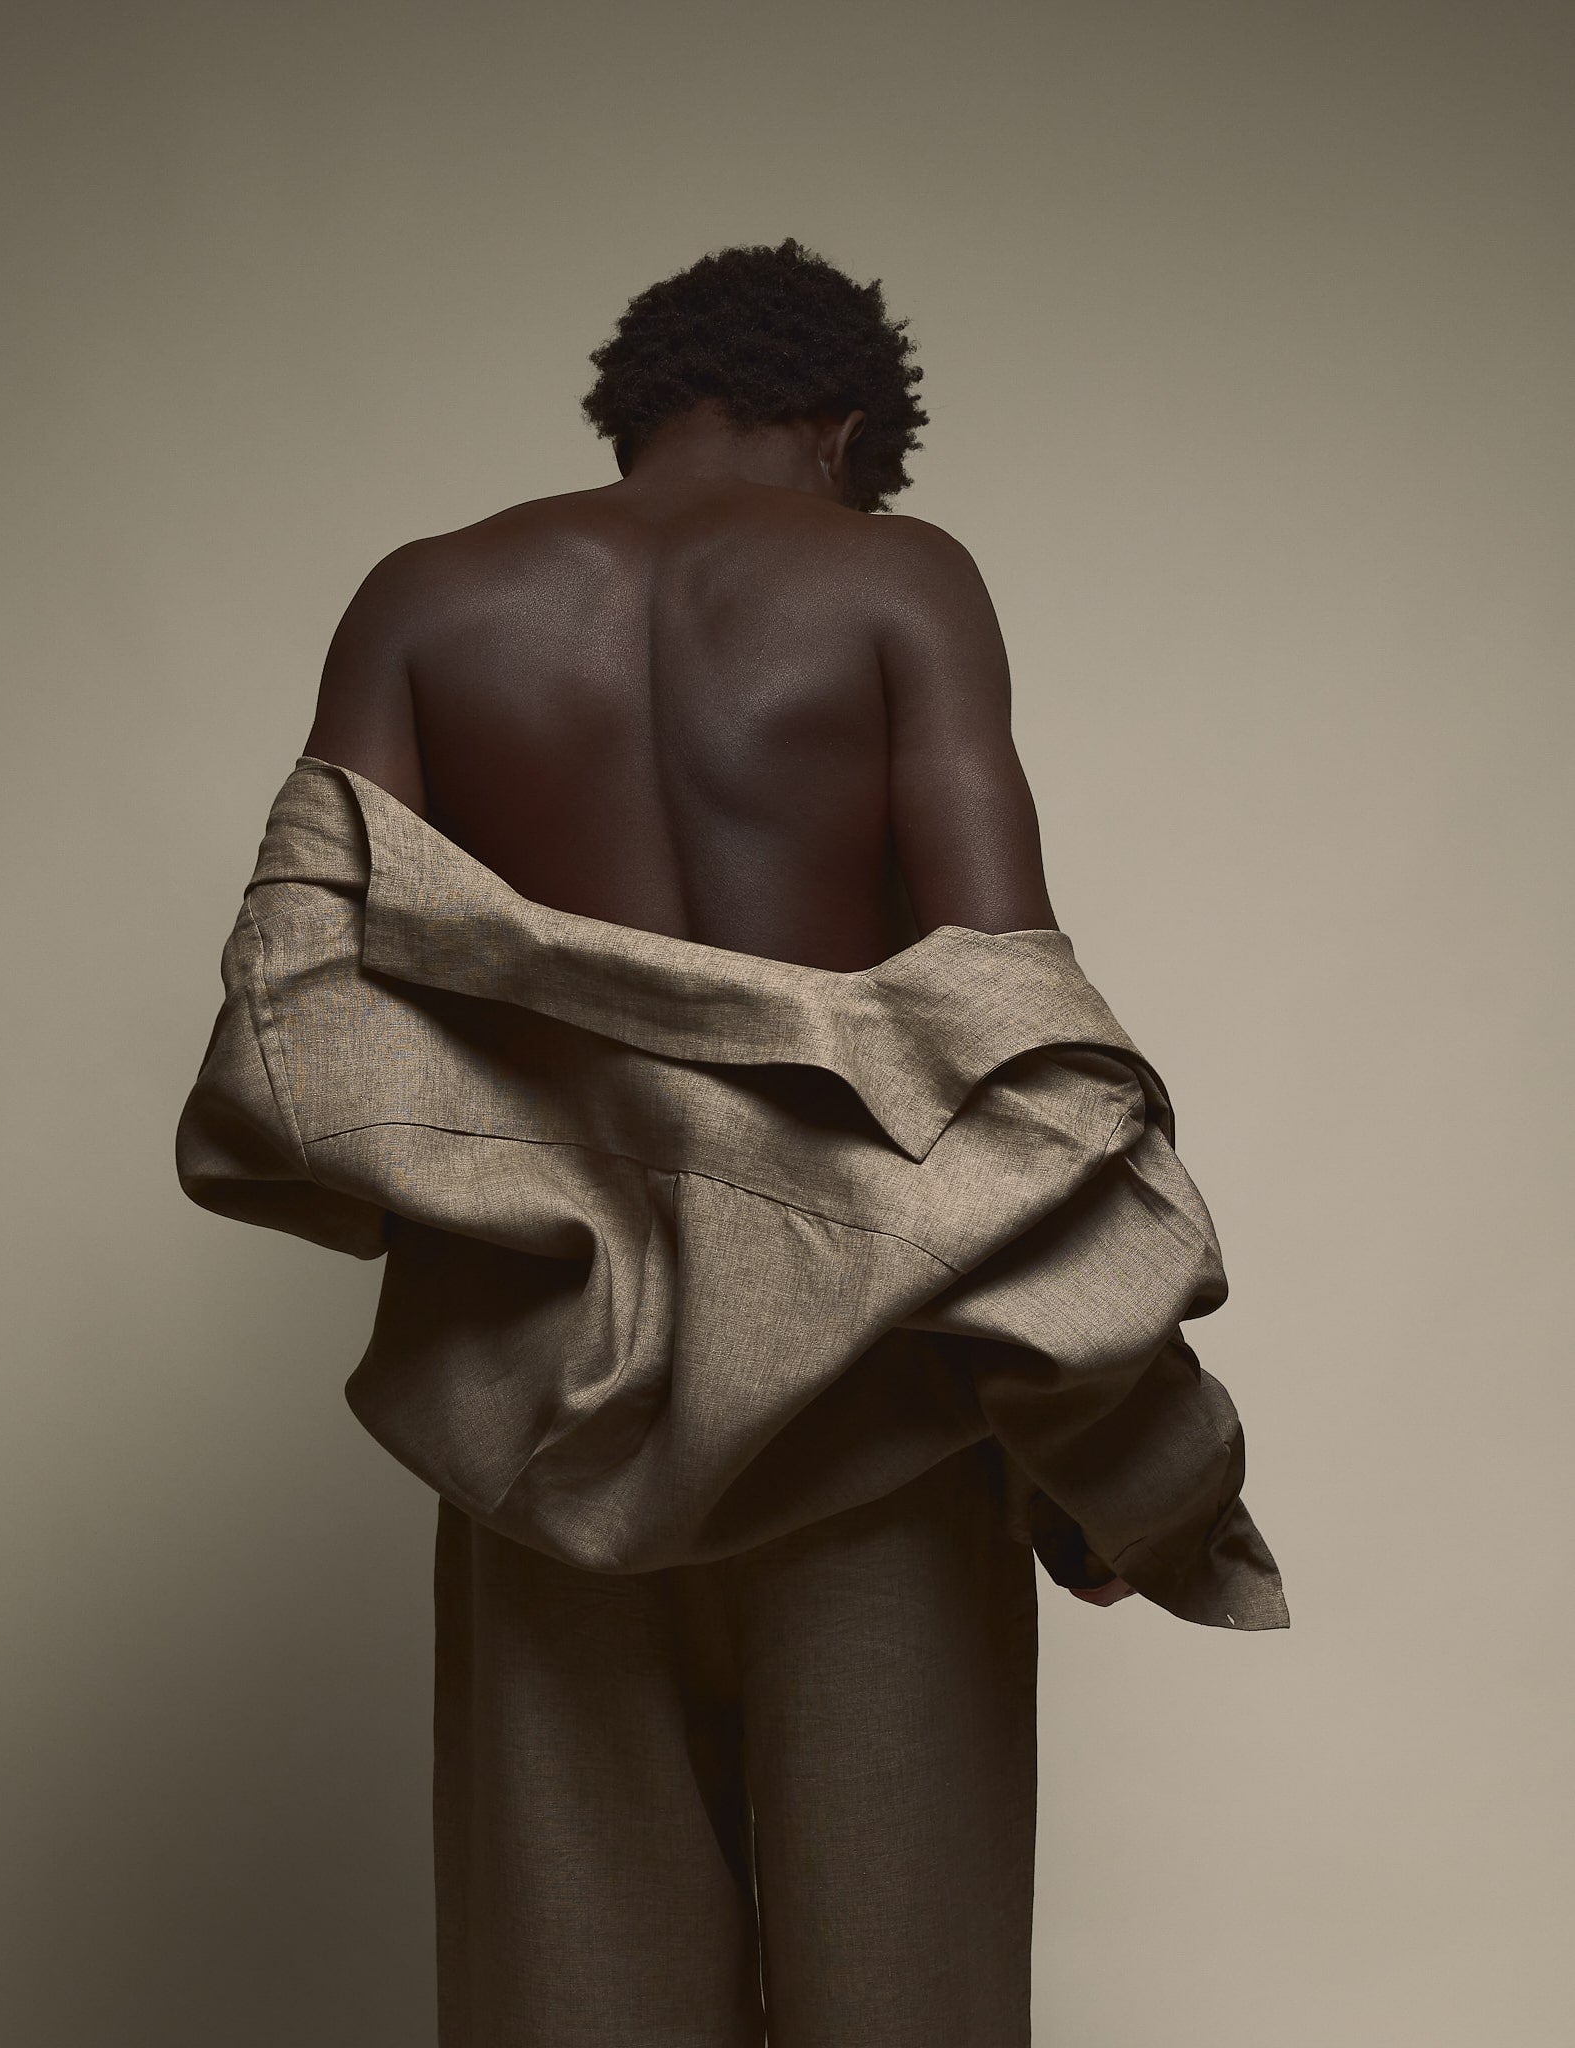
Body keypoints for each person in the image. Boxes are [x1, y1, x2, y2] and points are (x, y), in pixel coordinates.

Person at [181, 238, 1285, 2047]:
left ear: (638, 407)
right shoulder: (897, 578)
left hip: (543, 1397)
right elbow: (1008, 1024)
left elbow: (292, 1012)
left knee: (569, 2005)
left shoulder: (421, 600)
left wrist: (538, 1172)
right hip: (881, 1392)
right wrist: (1108, 1441)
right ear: (843, 431)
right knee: (904, 2004)